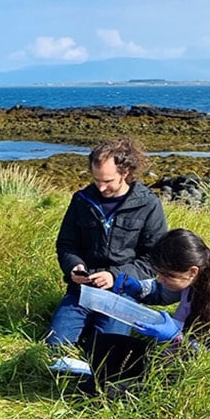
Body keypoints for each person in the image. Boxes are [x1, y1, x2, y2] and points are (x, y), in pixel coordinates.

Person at [45, 137, 168, 377]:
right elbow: (66, 244)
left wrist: (115, 276)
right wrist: (74, 266)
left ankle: (94, 339)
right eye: (96, 180)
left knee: (108, 353)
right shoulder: (81, 200)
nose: (101, 187)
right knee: (54, 347)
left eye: (107, 181)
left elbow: (154, 258)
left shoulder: (148, 204)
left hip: (122, 293)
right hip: (82, 290)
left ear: (126, 172)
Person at [113, 228, 210, 355]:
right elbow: (164, 291)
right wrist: (140, 288)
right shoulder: (199, 275)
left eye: (166, 275)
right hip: (178, 353)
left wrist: (176, 338)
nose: (159, 279)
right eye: (158, 273)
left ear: (192, 271)